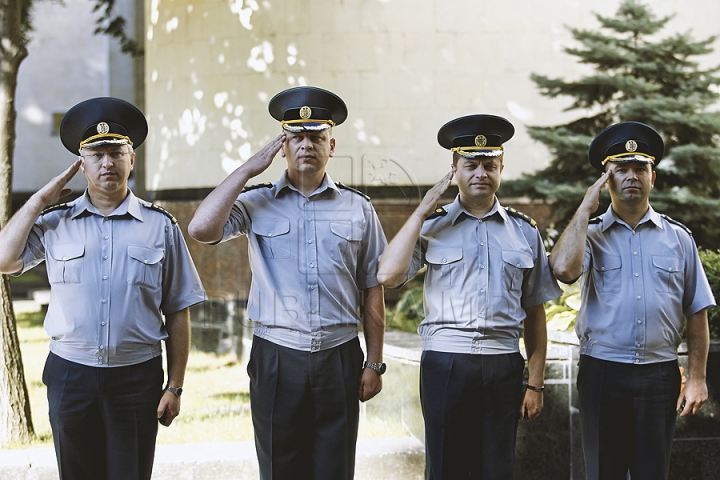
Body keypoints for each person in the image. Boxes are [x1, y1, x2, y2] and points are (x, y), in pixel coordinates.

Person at [0, 97, 206, 480]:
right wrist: (38, 201)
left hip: (136, 377)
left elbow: (178, 309)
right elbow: (4, 260)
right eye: (96, 154)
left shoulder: (161, 226)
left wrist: (174, 386)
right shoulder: (54, 223)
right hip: (70, 375)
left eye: (116, 152)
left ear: (132, 159)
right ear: (82, 164)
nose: (107, 163)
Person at [188, 86, 387, 479]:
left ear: (332, 143)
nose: (307, 145)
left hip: (339, 355)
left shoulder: (358, 208)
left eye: (316, 137)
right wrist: (247, 170)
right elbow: (200, 228)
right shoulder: (255, 201)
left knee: (335, 469)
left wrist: (375, 362)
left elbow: (372, 289)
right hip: (277, 355)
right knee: (280, 468)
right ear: (283, 145)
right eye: (297, 137)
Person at [377, 114, 561, 479]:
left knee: (497, 468)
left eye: (489, 165)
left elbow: (535, 311)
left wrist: (535, 382)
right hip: (446, 364)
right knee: (446, 467)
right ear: (454, 170)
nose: (480, 172)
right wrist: (419, 212)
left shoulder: (524, 232)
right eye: (471, 164)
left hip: (503, 365)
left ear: (501, 168)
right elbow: (387, 276)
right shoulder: (431, 225)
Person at [548, 121, 715, 480]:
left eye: (640, 168)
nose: (631, 176)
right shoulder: (590, 236)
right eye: (620, 169)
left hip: (659, 377)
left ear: (653, 177)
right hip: (603, 373)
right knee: (602, 472)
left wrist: (698, 377)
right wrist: (584, 209)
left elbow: (697, 311)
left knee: (653, 473)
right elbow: (562, 270)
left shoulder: (678, 238)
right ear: (606, 180)